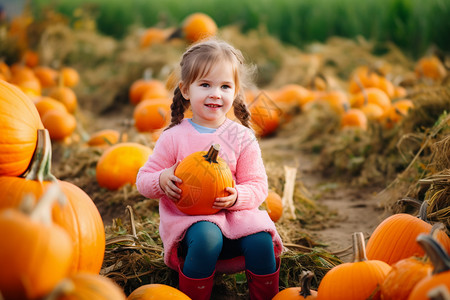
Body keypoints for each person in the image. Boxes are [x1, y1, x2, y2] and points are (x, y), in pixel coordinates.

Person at [136, 39, 283, 300]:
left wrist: (238, 196)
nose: (216, 93)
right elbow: (143, 180)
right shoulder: (174, 138)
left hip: (237, 221)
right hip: (192, 226)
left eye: (225, 86)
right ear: (186, 90)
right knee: (207, 236)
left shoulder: (242, 137)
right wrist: (162, 179)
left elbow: (258, 186)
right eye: (205, 85)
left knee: (261, 240)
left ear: (235, 92)